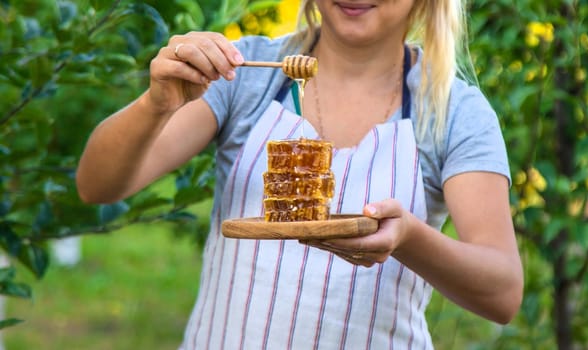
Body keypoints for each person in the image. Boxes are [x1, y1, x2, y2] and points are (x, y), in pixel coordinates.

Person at [76, 0, 523, 348]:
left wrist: (409, 238)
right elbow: (97, 185)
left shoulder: (453, 112)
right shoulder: (244, 72)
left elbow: (502, 292)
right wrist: (157, 103)